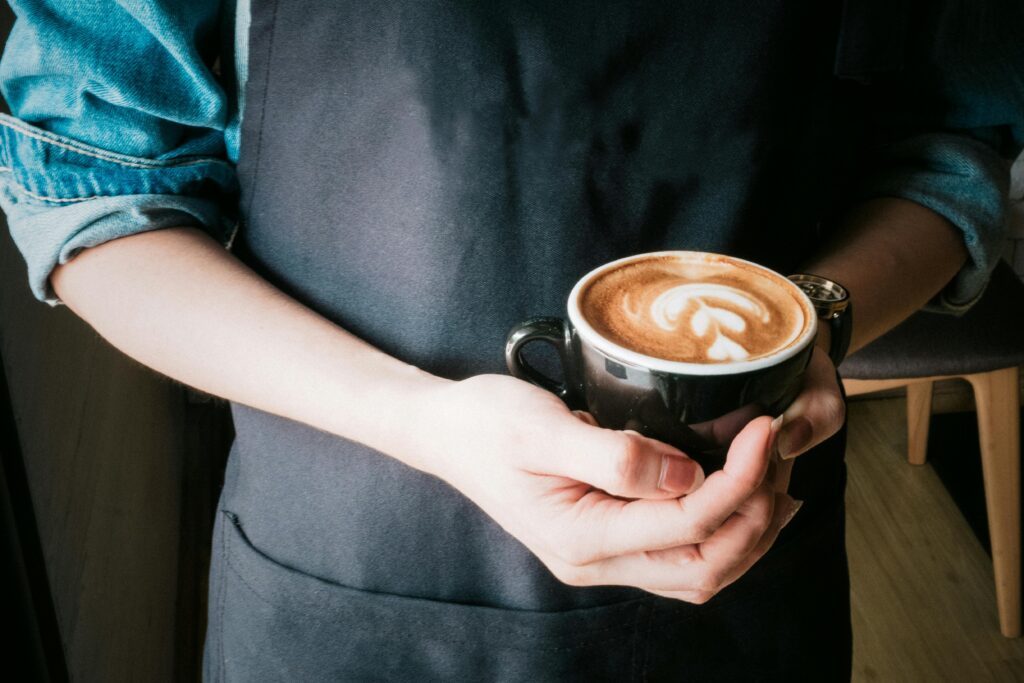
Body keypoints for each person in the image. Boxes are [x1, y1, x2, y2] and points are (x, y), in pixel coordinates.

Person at [1, 1, 1020, 680]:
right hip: (344, 568)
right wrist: (422, 420)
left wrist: (813, 328)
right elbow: (99, 194)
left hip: (739, 562)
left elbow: (950, 141)